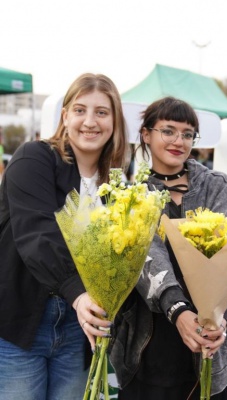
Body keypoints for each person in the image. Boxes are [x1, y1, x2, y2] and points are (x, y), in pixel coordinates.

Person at [0, 73, 130, 399]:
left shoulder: (115, 183)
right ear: (65, 116)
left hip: (78, 329)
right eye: (80, 110)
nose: (90, 121)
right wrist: (78, 293)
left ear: (115, 121)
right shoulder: (35, 159)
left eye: (102, 112)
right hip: (20, 325)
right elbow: (38, 235)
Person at [110, 97, 227, 399]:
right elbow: (147, 255)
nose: (178, 141)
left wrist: (223, 318)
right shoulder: (131, 194)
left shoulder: (216, 185)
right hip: (149, 347)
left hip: (209, 346)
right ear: (146, 134)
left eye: (187, 133)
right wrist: (178, 310)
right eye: (168, 131)